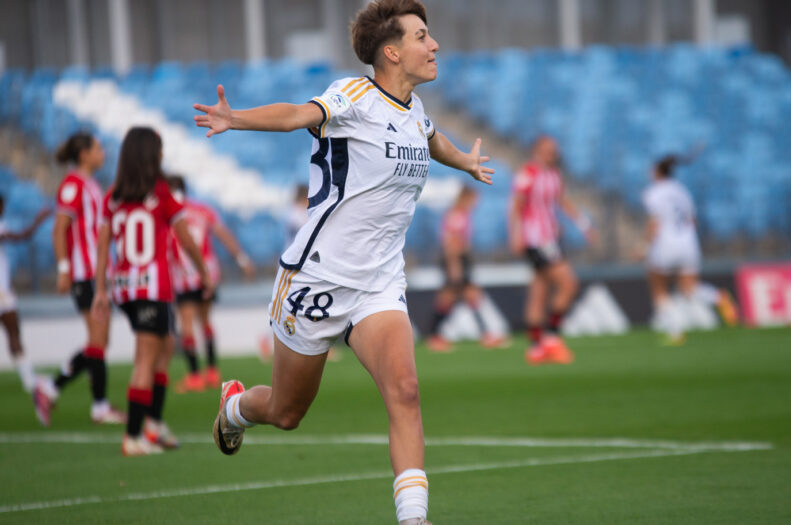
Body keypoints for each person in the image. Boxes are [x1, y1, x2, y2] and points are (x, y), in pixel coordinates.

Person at [193, 1, 492, 523]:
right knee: (286, 412)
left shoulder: (414, 110)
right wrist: (235, 119)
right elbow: (296, 115)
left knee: (406, 391)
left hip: (378, 283)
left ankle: (414, 518)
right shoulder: (354, 95)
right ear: (392, 51)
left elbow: (428, 137)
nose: (435, 44)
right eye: (423, 36)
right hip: (316, 278)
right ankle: (235, 408)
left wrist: (463, 159)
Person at [92, 127, 212, 456]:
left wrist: (101, 288)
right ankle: (134, 436)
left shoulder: (113, 195)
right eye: (158, 149)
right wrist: (203, 273)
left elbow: (103, 245)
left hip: (124, 289)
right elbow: (186, 238)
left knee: (165, 346)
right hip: (151, 288)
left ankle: (154, 424)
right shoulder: (160, 193)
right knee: (146, 358)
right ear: (150, 155)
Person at [33, 132, 125, 426]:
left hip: (98, 273)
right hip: (84, 273)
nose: (102, 153)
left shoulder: (91, 185)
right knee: (98, 339)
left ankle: (50, 387)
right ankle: (98, 406)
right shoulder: (73, 185)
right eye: (98, 149)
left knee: (100, 340)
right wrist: (63, 268)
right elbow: (59, 228)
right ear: (84, 154)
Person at [509, 135, 596, 365]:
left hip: (551, 238)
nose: (553, 153)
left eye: (554, 150)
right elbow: (516, 205)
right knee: (568, 283)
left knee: (540, 287)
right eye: (548, 149)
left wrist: (584, 225)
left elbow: (561, 201)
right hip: (537, 239)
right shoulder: (528, 172)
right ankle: (551, 338)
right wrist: (516, 235)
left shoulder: (554, 175)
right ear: (536, 150)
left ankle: (536, 347)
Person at [165, 175, 255, 393]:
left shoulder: (169, 214)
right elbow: (223, 234)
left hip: (184, 275)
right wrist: (242, 259)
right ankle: (213, 372)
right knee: (205, 321)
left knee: (187, 325)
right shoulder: (203, 210)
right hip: (207, 273)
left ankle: (195, 376)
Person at [641, 155, 737, 345]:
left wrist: (645, 247)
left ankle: (676, 332)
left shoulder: (653, 192)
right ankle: (718, 297)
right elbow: (693, 220)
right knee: (689, 288)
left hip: (666, 244)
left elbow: (655, 223)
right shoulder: (682, 191)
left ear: (657, 172)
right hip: (688, 243)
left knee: (659, 290)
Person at [426, 185, 505, 352]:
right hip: (455, 260)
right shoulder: (457, 215)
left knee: (466, 295)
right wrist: (455, 265)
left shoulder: (461, 214)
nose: (476, 203)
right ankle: (435, 336)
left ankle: (437, 336)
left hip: (459, 259)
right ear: (466, 198)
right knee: (451, 297)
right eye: (474, 199)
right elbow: (450, 242)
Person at [0, 198, 50, 392]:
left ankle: (29, 377)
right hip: (2, 294)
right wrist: (39, 220)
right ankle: (29, 379)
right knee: (14, 334)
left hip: (4, 290)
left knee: (14, 334)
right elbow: (21, 236)